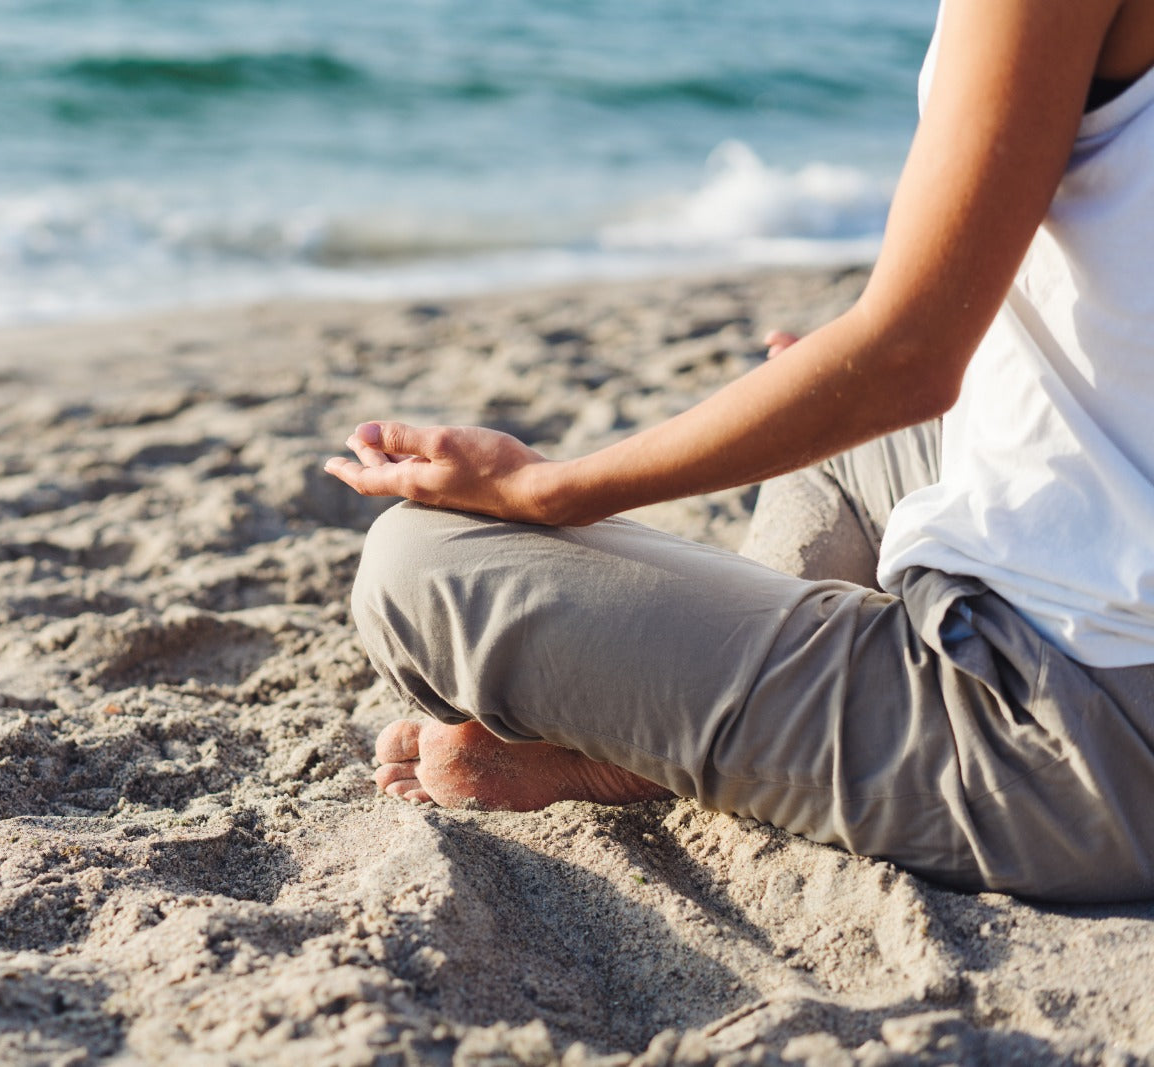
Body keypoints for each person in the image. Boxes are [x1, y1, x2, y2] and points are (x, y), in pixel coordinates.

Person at [323, 0, 1154, 903]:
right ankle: (699, 725)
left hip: (1081, 734)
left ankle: (660, 751)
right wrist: (855, 377)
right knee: (834, 442)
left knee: (417, 565)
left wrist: (546, 488)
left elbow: (908, 361)